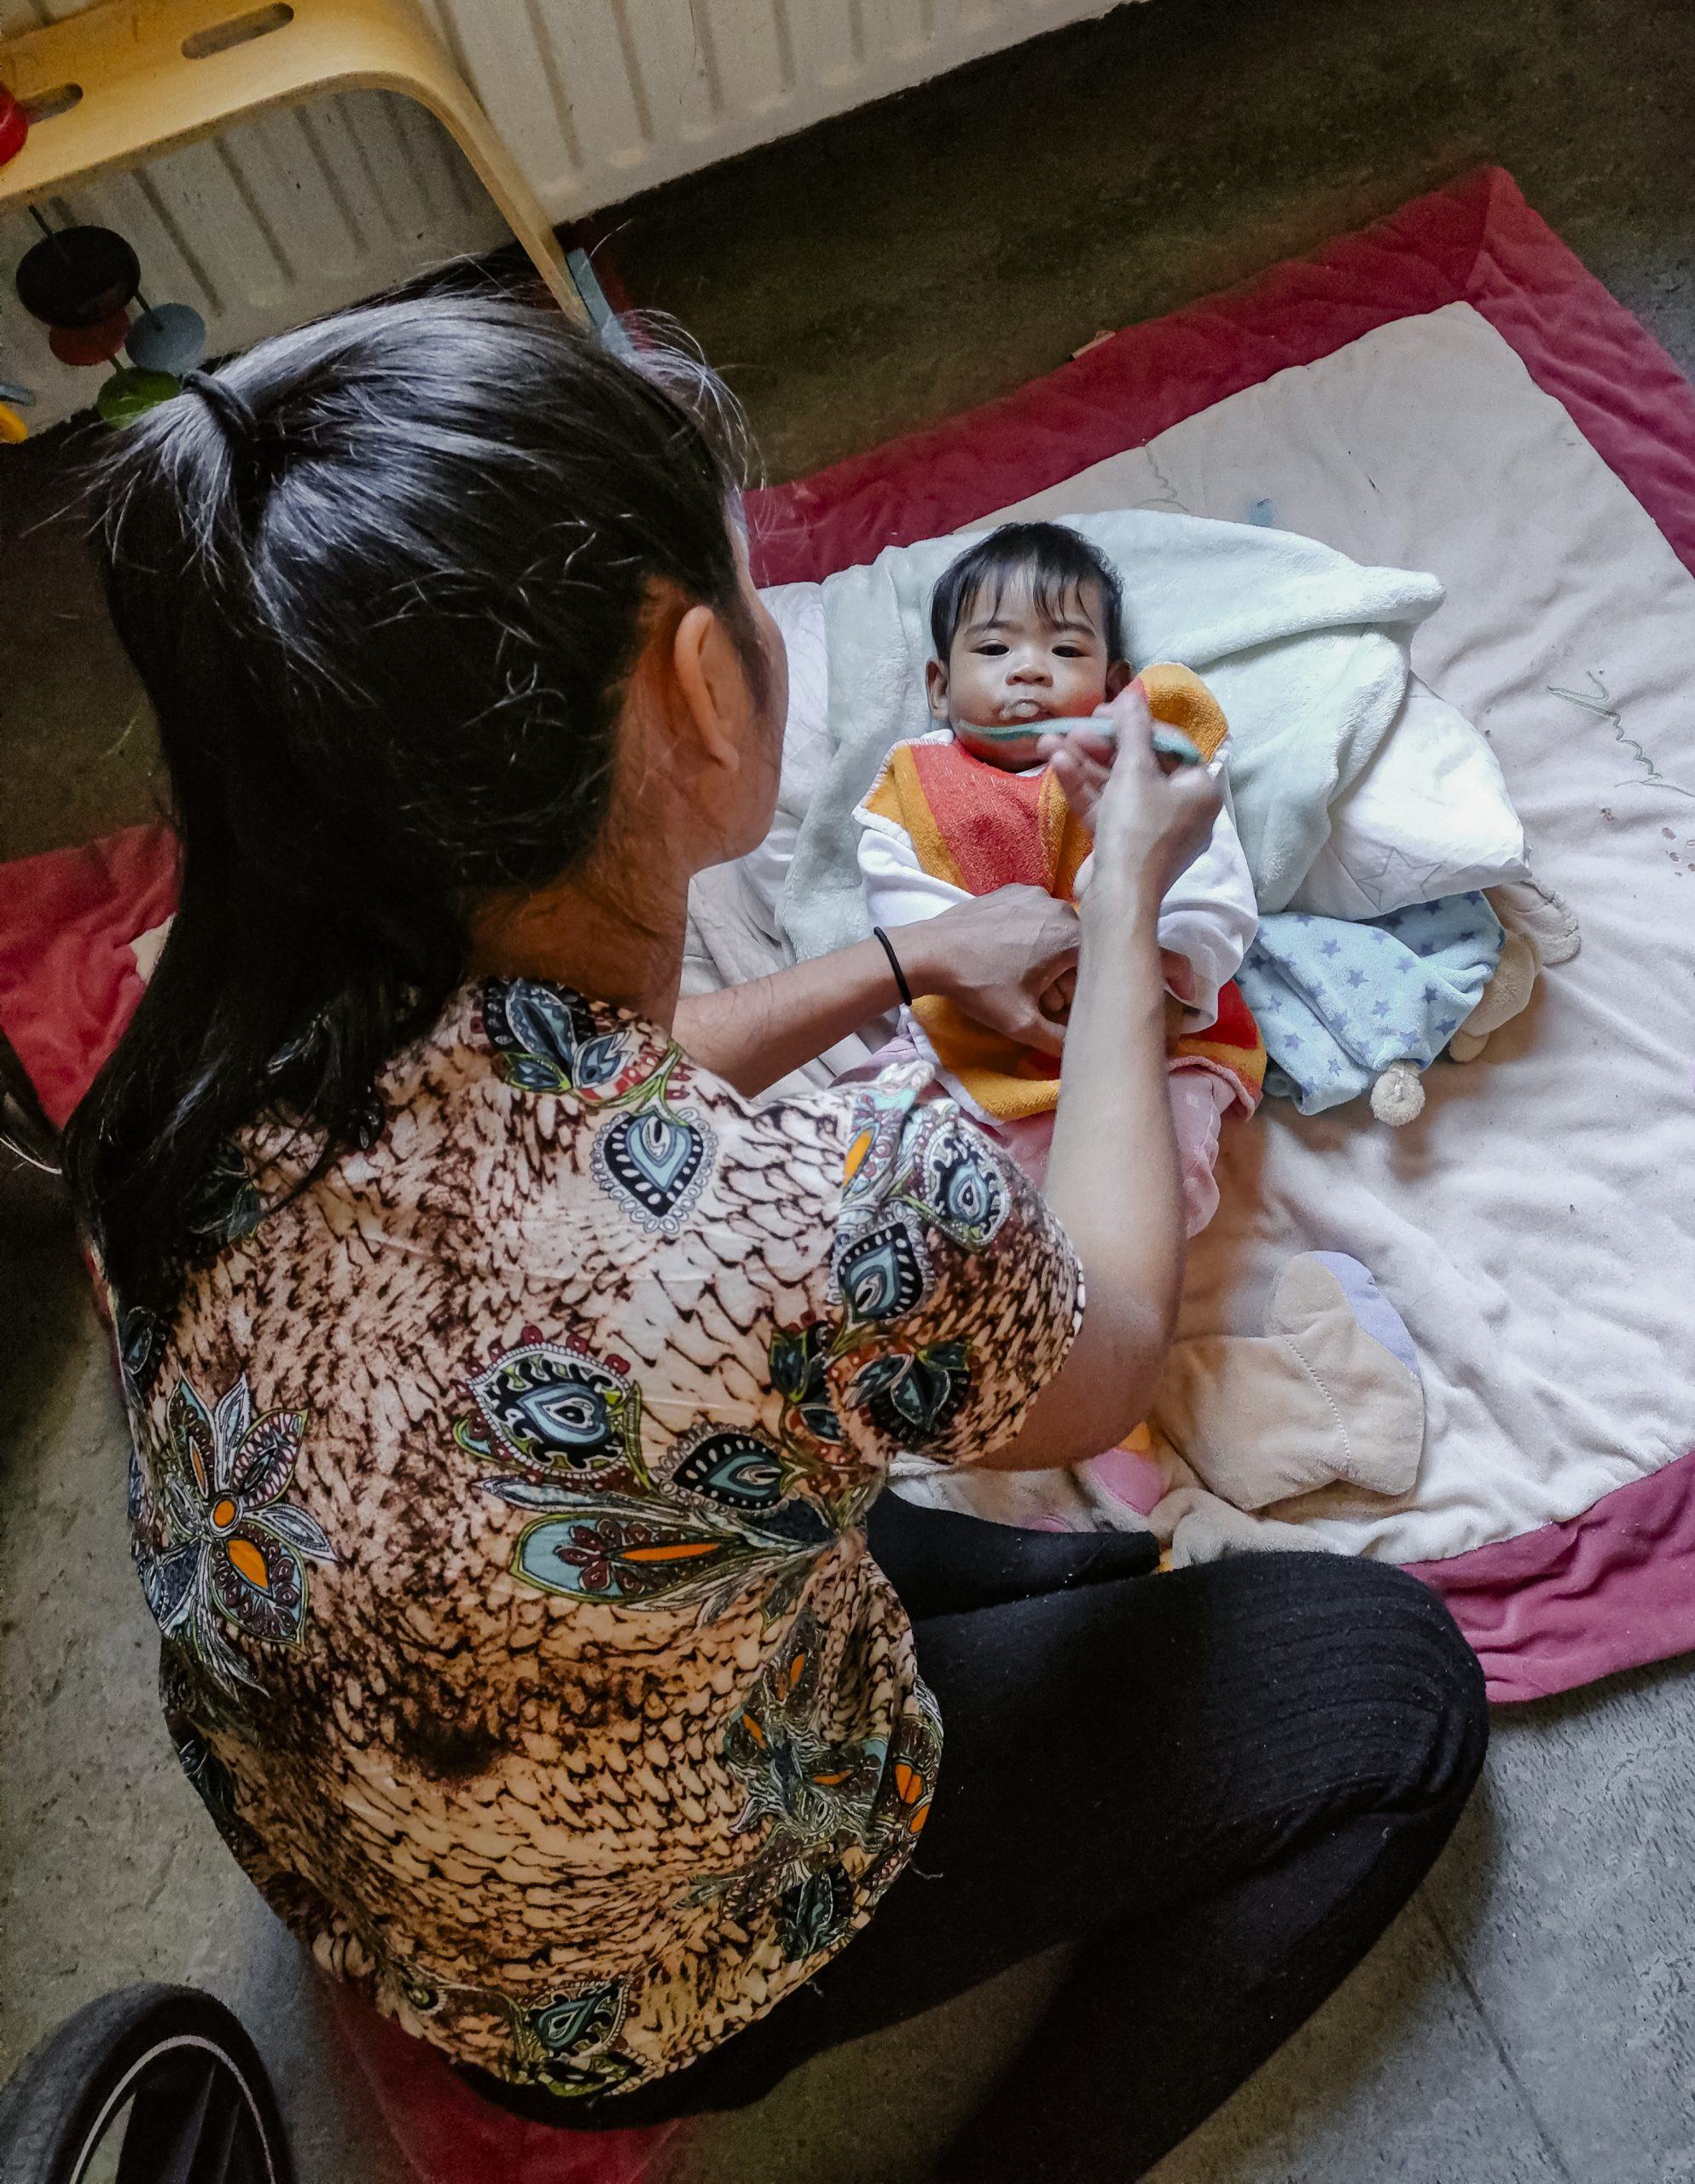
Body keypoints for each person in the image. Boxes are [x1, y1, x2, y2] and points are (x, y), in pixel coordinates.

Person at [63, 295, 1487, 2181]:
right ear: (701, 684)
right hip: (640, 1979)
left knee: (1065, 1568)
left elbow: (570, 1124)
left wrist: (899, 959)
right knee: (1396, 1689)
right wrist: (1128, 898)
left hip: (384, 1845)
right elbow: (1111, 1338)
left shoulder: (186, 1081)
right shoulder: (828, 1198)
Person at [855, 521, 1262, 1222]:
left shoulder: (1152, 773)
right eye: (992, 647)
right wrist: (1020, 975)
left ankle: (1104, 1252)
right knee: (866, 1127)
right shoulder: (909, 785)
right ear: (938, 686)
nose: (1029, 669)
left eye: (1065, 649)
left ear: (1114, 686)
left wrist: (1163, 965)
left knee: (1169, 1149)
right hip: (970, 1033)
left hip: (1156, 1027)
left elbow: (1214, 897)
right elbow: (901, 907)